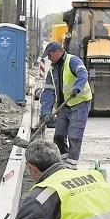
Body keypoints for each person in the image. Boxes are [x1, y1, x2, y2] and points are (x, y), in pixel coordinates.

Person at [38, 41, 92, 170]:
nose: (49, 59)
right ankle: (63, 164)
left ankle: (71, 167)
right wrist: (46, 112)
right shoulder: (52, 71)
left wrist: (77, 87)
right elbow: (48, 93)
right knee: (59, 136)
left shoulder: (73, 60)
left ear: (58, 52)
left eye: (50, 55)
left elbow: (83, 73)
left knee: (74, 136)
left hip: (79, 104)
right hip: (64, 106)